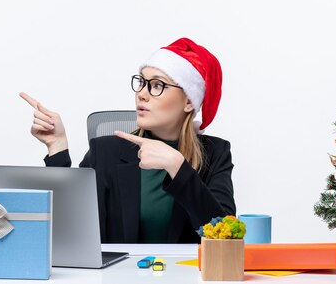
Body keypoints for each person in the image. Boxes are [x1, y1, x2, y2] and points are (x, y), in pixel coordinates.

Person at [20, 38, 235, 243]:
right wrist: (57, 146)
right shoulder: (104, 152)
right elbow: (67, 225)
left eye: (157, 85)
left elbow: (226, 238)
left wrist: (177, 167)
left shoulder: (216, 153)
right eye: (141, 82)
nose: (142, 93)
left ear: (189, 101)